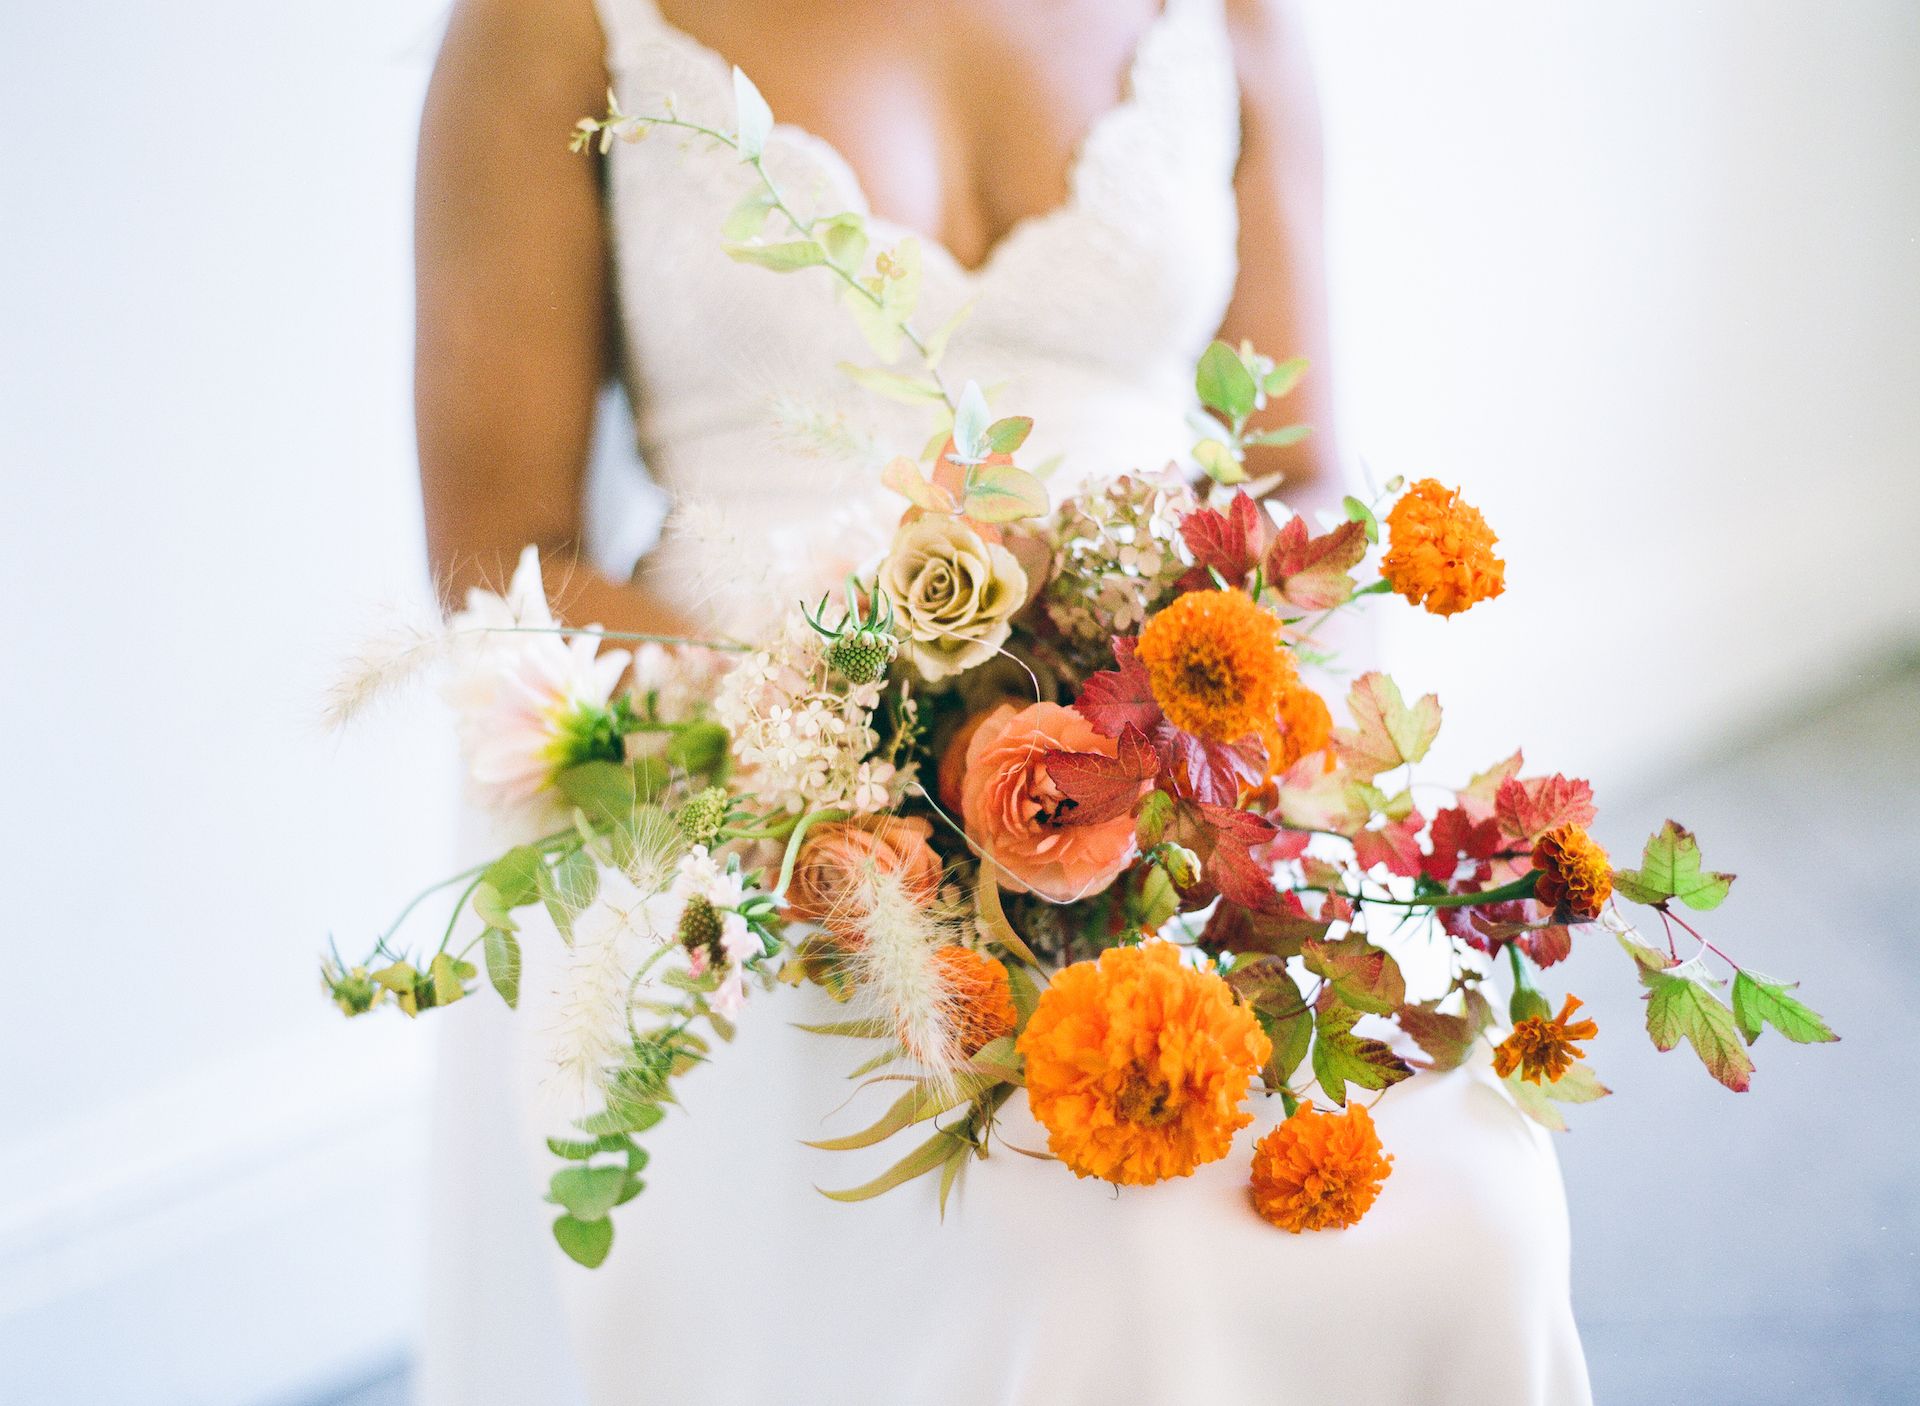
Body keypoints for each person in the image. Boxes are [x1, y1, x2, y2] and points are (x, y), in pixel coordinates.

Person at [414, 2, 1592, 1402]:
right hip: (750, 774)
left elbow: (1306, 476)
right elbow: (502, 550)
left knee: (1467, 1207)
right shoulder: (548, 23)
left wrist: (1188, 681)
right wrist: (848, 739)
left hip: (1174, 753)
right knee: (1060, 1256)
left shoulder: (1228, 17)